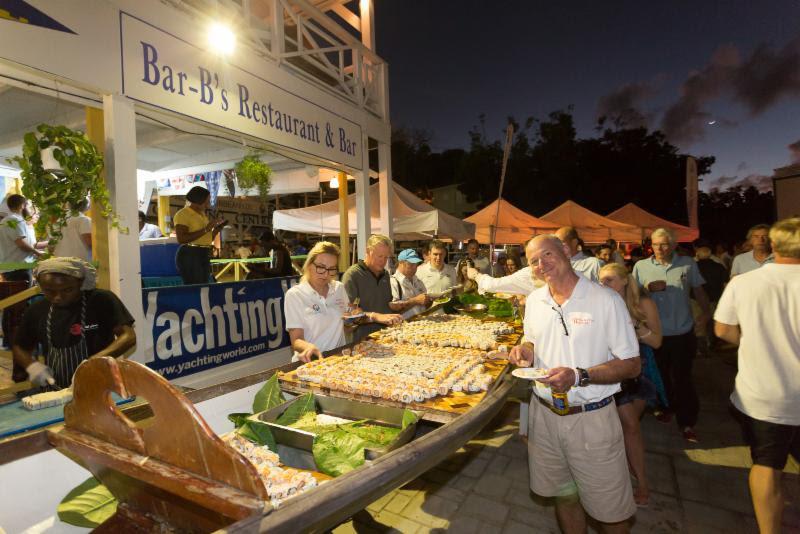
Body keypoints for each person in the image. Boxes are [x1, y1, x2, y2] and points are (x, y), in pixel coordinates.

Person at [510, 235, 640, 533]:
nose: (542, 264)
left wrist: (579, 375)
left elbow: (632, 364)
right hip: (544, 415)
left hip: (591, 418)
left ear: (566, 251)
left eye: (548, 254)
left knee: (611, 512)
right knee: (564, 496)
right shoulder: (535, 300)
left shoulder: (605, 299)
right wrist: (526, 349)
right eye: (534, 261)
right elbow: (530, 338)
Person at [713, 217, 800, 534]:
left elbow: (722, 328)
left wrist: (754, 342)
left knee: (766, 463)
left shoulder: (744, 282)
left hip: (763, 392)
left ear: (773, 245)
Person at [632, 228, 711, 442]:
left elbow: (699, 291)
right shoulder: (641, 266)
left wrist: (706, 313)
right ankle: (665, 407)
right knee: (660, 375)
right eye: (656, 244)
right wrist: (647, 289)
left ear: (674, 245)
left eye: (664, 244)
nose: (659, 248)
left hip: (682, 331)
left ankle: (687, 422)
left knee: (683, 378)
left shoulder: (687, 264)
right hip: (654, 333)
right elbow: (632, 296)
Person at [12, 258, 136, 389]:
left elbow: (128, 336)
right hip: (55, 388)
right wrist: (32, 366)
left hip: (100, 383)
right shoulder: (37, 310)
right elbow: (20, 347)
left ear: (81, 283)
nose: (58, 297)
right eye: (50, 291)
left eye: (67, 290)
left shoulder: (101, 300)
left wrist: (95, 361)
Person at [599, 262, 664, 507]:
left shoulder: (642, 304)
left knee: (630, 427)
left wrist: (631, 323)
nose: (603, 285)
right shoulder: (602, 304)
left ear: (625, 281)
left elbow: (657, 341)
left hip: (640, 370)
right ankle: (626, 479)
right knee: (625, 426)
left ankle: (641, 482)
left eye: (609, 280)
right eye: (601, 281)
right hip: (612, 369)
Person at [285, 241, 390, 362]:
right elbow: (296, 340)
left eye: (331, 269)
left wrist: (354, 319)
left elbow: (346, 327)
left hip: (337, 359)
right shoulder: (295, 295)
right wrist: (308, 347)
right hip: (309, 362)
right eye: (320, 267)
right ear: (309, 265)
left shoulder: (339, 288)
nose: (325, 274)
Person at [341, 234, 403, 341]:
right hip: (361, 339)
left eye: (386, 257)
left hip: (385, 336)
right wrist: (376, 316)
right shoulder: (352, 275)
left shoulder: (385, 274)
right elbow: (349, 314)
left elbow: (384, 304)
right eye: (379, 256)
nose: (383, 261)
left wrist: (396, 308)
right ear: (368, 251)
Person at [174, 186, 225, 285]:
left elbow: (206, 239)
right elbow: (181, 238)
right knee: (196, 287)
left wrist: (216, 230)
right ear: (198, 199)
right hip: (190, 254)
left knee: (203, 286)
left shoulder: (202, 215)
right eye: (207, 201)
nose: (208, 205)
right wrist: (206, 229)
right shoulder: (183, 214)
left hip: (203, 253)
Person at [391, 249, 432, 319]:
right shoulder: (393, 282)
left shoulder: (418, 281)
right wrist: (415, 301)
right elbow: (393, 310)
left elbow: (425, 305)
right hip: (404, 327)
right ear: (401, 263)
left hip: (421, 324)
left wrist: (432, 300)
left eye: (416, 264)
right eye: (411, 264)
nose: (415, 268)